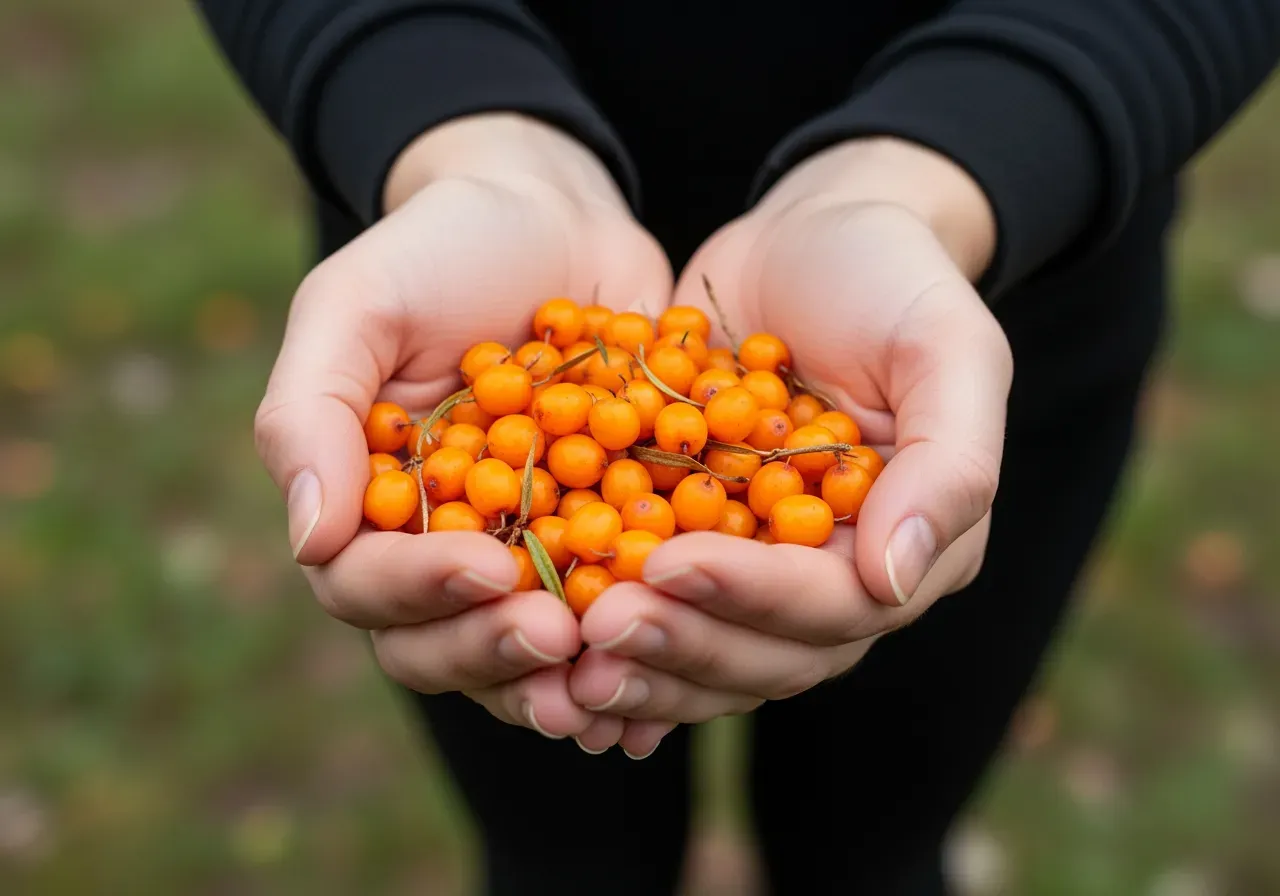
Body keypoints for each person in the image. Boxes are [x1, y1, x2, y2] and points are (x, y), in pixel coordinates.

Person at [193, 2, 1280, 893]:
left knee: (873, 847)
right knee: (561, 852)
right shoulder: (494, 424)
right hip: (446, 265)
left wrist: (963, 148)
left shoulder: (773, 423)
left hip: (960, 304)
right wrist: (444, 120)